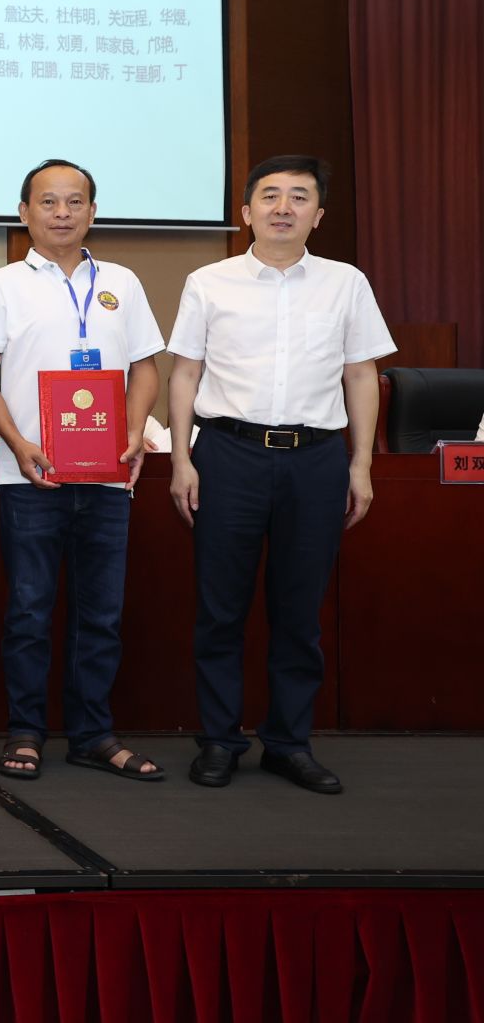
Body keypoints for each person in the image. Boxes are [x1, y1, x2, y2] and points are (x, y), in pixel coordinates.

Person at [167, 155, 394, 794]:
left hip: (316, 459)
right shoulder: (208, 281)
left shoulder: (346, 283)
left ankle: (289, 743)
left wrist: (361, 463)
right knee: (220, 609)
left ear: (318, 216)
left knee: (299, 611)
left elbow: (361, 375)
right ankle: (219, 740)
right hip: (228, 454)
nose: (283, 207)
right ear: (246, 212)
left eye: (299, 197)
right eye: (270, 196)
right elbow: (185, 372)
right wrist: (181, 459)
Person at [0, 160, 164, 782]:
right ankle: (25, 731)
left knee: (101, 614)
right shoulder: (1, 284)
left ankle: (92, 735)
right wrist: (18, 442)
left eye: (74, 201)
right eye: (48, 202)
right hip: (30, 476)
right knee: (29, 612)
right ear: (24, 212)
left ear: (92, 212)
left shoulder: (122, 283)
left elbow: (146, 368)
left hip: (108, 476)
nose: (61, 213)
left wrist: (133, 431)